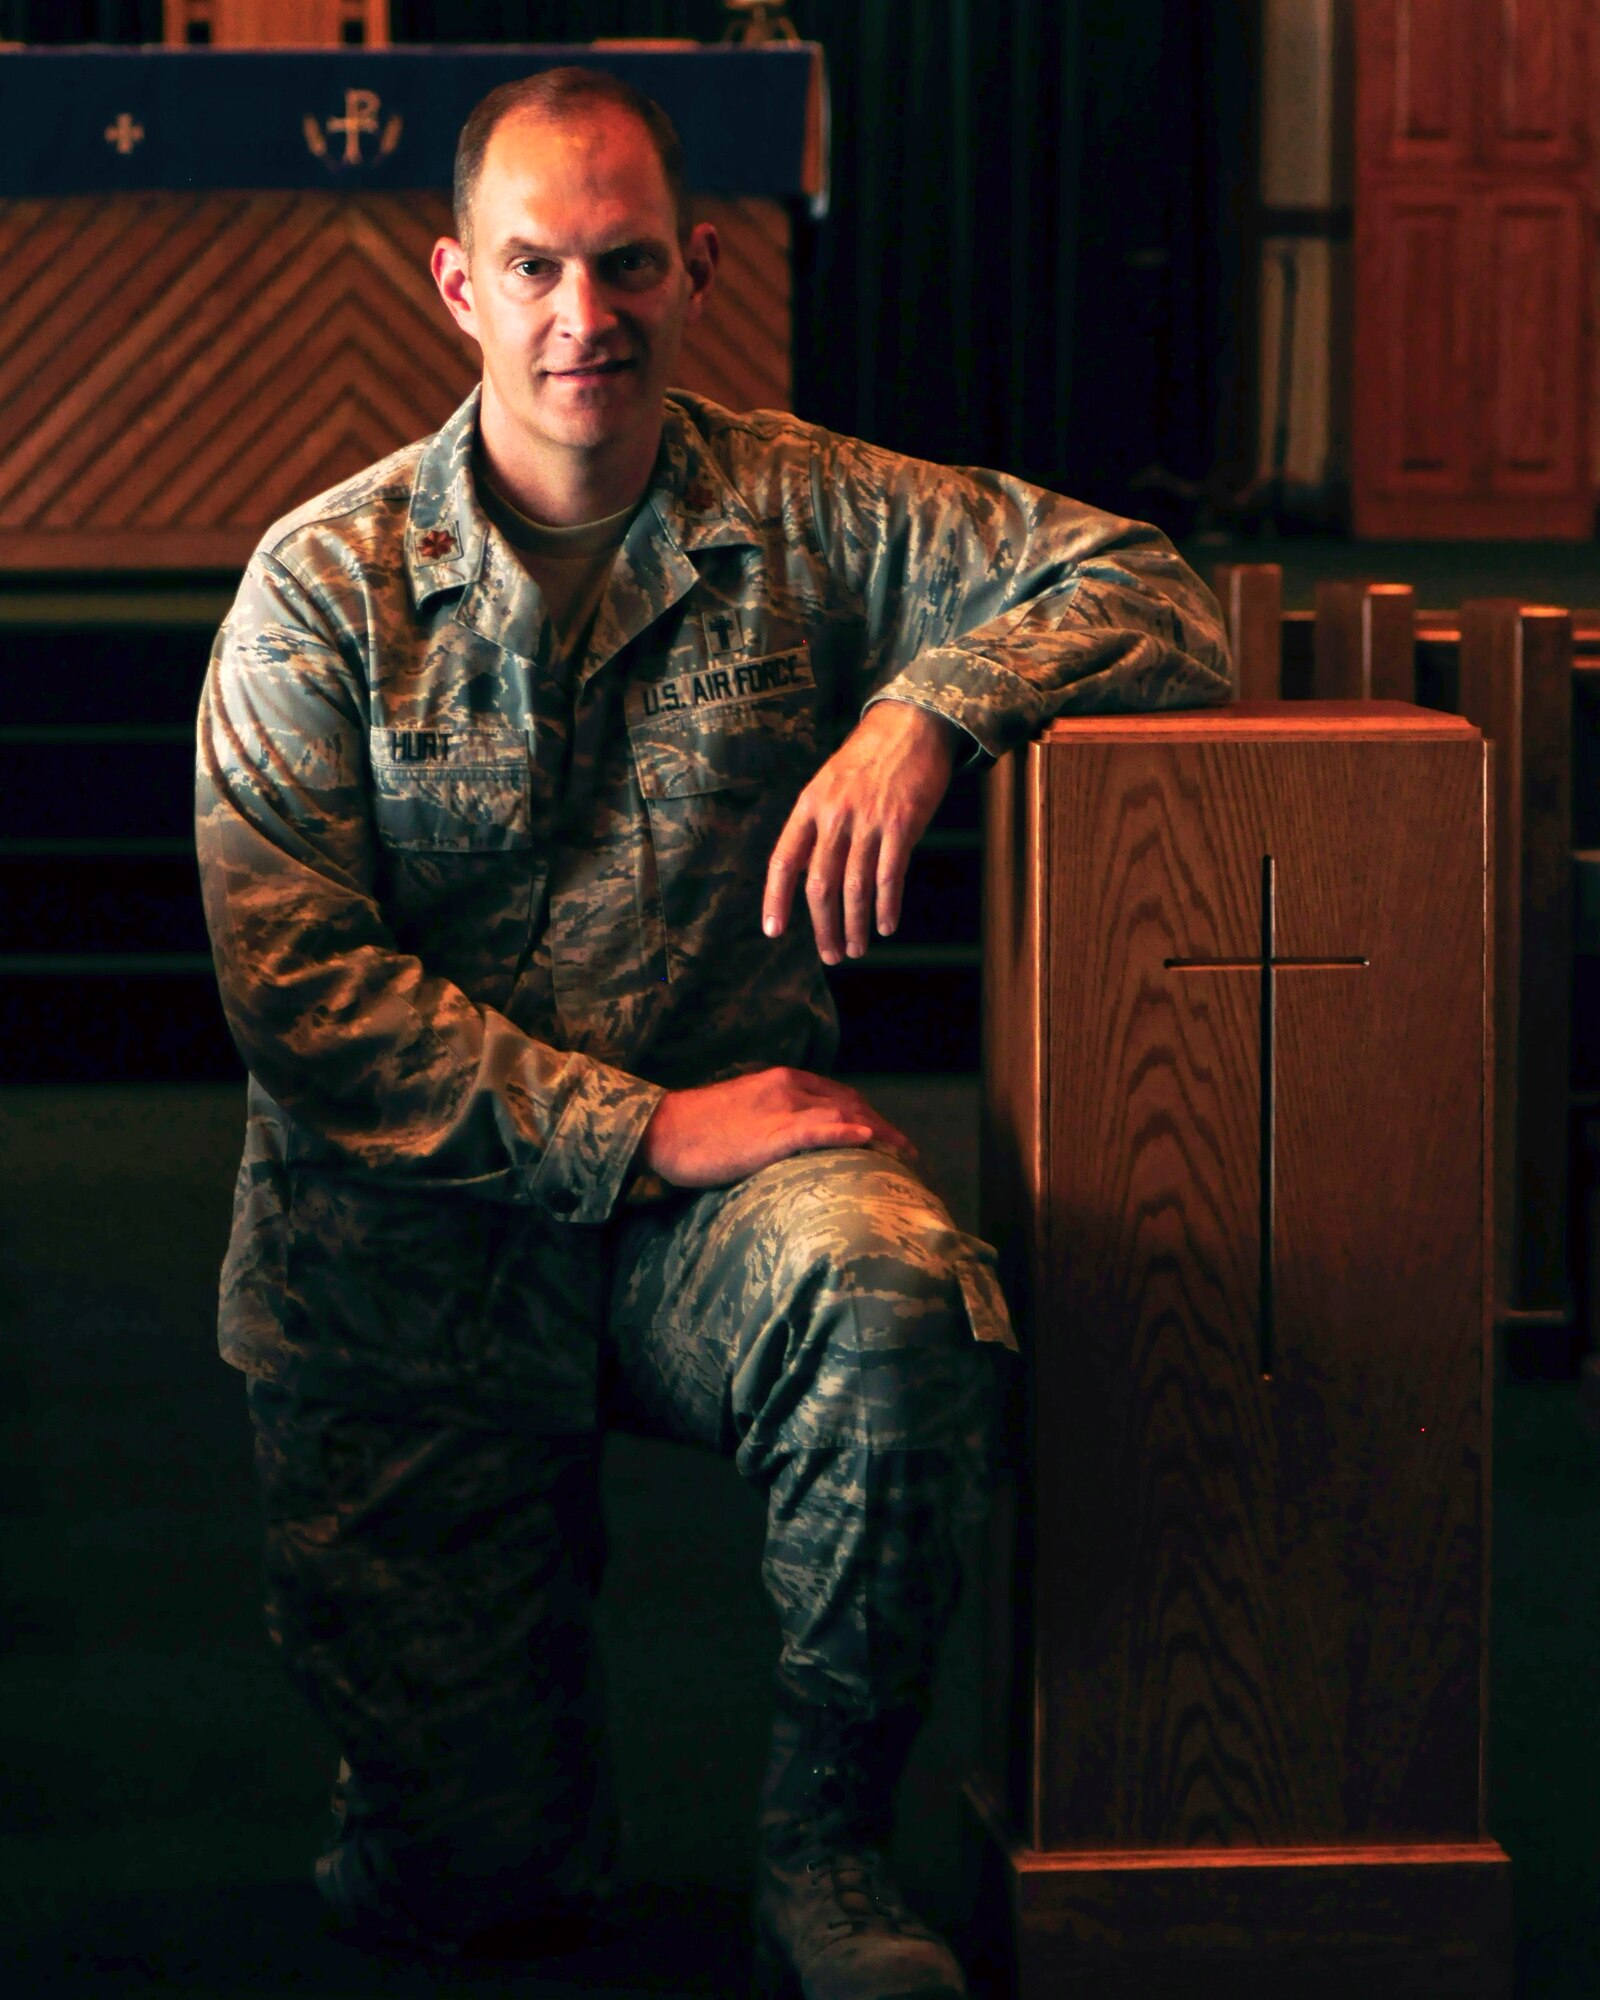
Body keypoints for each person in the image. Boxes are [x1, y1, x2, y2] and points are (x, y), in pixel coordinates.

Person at [195, 65, 1231, 2000]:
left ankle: (826, 1860)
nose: (586, 315)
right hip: (409, 1261)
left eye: (627, 264)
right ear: (456, 286)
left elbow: (1151, 591)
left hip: (716, 1228)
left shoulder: (810, 509)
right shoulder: (319, 590)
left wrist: (933, 709)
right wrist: (645, 1131)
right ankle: (445, 1800)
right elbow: (300, 998)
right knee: (473, 1886)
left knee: (900, 1295)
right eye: (536, 268)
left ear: (702, 267)